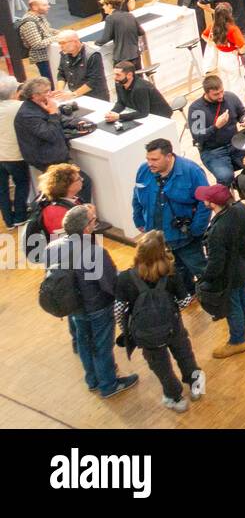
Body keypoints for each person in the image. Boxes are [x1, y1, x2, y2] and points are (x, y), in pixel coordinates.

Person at [51, 205, 139, 399]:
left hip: (74, 307)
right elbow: (110, 284)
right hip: (97, 307)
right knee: (102, 347)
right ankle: (109, 385)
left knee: (84, 342)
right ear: (86, 229)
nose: (95, 221)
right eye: (93, 220)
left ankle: (92, 380)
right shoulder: (94, 252)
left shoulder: (53, 247)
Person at [114, 230, 204, 412]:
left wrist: (127, 329)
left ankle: (175, 398)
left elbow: (119, 309)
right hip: (173, 327)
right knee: (185, 357)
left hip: (147, 336)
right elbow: (185, 301)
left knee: (162, 368)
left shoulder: (125, 278)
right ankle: (196, 387)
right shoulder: (170, 274)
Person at [131, 138, 210, 300]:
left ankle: (214, 299)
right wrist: (138, 219)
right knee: (175, 270)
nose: (149, 163)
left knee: (200, 269)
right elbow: (136, 196)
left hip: (186, 238)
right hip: (158, 237)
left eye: (154, 159)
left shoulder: (192, 172)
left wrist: (197, 229)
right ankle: (189, 294)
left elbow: (205, 203)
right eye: (148, 159)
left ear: (168, 156)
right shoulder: (143, 170)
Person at [198, 184, 245, 358]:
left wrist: (205, 278)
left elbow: (216, 262)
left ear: (212, 204)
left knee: (232, 306)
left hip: (229, 273)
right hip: (243, 266)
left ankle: (237, 341)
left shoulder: (217, 231)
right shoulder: (241, 208)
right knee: (244, 297)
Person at [14, 79, 94, 201]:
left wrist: (78, 123)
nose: (51, 93)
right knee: (82, 182)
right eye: (46, 91)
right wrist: (53, 113)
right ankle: (79, 214)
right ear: (35, 96)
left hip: (53, 154)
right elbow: (51, 134)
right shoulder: (27, 115)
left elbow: (61, 119)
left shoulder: (42, 104)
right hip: (47, 159)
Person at [188, 76, 245, 187]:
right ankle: (228, 202)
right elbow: (198, 137)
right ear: (206, 93)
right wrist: (216, 126)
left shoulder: (230, 97)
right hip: (213, 151)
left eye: (222, 91)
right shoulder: (196, 109)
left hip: (235, 144)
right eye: (216, 94)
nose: (221, 96)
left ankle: (243, 187)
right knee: (225, 177)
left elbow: (243, 113)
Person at [0, 76, 30, 228]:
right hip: (13, 154)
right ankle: (20, 215)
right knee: (22, 183)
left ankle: (8, 220)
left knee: (2, 189)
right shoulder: (19, 107)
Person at [201, 2, 245, 99]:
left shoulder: (213, 26)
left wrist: (214, 44)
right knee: (237, 87)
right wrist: (239, 52)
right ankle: (239, 111)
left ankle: (228, 109)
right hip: (232, 59)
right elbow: (244, 46)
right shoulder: (232, 29)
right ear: (229, 14)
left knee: (225, 87)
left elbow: (204, 35)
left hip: (220, 59)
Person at [104, 61, 171, 124]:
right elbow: (121, 103)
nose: (114, 77)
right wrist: (112, 113)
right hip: (144, 113)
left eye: (118, 75)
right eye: (114, 74)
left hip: (159, 116)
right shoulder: (119, 83)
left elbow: (143, 113)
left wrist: (119, 116)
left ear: (129, 75)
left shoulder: (140, 88)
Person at [52, 31, 109, 101]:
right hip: (76, 96)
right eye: (59, 43)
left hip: (95, 97)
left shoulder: (92, 55)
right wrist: (60, 91)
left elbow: (94, 81)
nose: (60, 47)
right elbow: (61, 73)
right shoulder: (65, 53)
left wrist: (73, 94)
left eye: (63, 43)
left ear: (75, 41)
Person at [15, 0, 58, 82]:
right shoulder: (29, 23)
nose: (48, 7)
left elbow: (45, 29)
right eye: (45, 5)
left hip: (49, 52)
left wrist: (56, 32)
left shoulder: (39, 16)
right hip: (42, 58)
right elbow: (36, 44)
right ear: (34, 7)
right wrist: (57, 38)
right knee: (50, 81)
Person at [98, 0, 142, 70]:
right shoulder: (130, 15)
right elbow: (141, 32)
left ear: (110, 5)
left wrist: (94, 43)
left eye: (104, 5)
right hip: (136, 56)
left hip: (121, 59)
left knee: (122, 81)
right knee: (138, 80)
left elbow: (105, 39)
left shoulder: (110, 18)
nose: (103, 7)